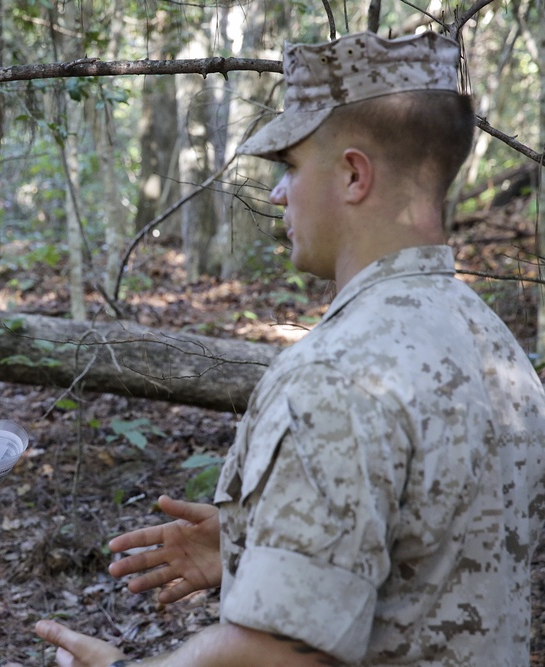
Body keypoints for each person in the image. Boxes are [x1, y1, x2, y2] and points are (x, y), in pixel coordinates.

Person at [36, 30, 545, 666]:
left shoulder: (337, 376)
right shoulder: (496, 346)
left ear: (354, 174)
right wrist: (257, 542)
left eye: (291, 167)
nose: (278, 194)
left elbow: (282, 655)